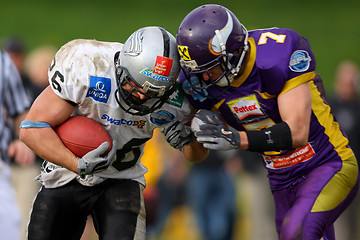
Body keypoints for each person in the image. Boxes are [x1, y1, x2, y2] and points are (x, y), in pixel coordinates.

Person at [177, 4, 359, 240]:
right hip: (281, 178)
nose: (202, 79)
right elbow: (196, 155)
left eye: (209, 69)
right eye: (197, 71)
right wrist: (188, 134)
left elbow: (297, 132)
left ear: (232, 54)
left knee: (298, 232)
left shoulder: (274, 55)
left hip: (326, 163)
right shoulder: (200, 81)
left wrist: (234, 138)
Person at [19, 26, 195, 240]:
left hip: (122, 177)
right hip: (67, 172)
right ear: (122, 66)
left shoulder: (178, 98)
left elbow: (196, 155)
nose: (140, 97)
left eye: (151, 94)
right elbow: (32, 129)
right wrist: (77, 164)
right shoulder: (89, 66)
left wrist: (191, 140)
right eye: (136, 86)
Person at [0, 50, 35, 239]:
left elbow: (20, 109)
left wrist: (23, 139)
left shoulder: (4, 62)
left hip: (0, 165)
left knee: (9, 232)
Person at [328, 60, 360, 240]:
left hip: (355, 173)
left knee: (353, 223)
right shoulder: (328, 107)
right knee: (339, 224)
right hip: (335, 174)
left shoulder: (358, 108)